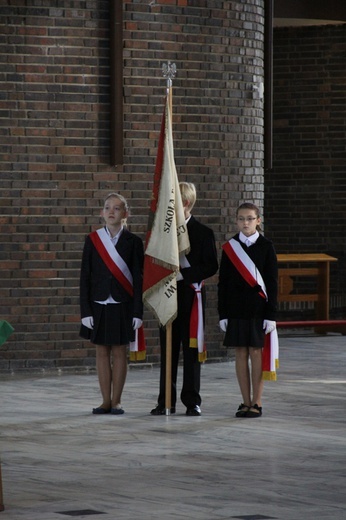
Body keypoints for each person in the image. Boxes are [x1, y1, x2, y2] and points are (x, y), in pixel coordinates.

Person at [150, 182, 218, 416]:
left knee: (191, 352)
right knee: (167, 350)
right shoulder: (163, 233)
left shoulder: (203, 232)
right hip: (167, 297)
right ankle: (165, 401)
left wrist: (183, 274)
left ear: (186, 203)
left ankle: (192, 401)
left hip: (191, 298)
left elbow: (211, 265)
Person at [79, 193, 144, 415]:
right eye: (107, 208)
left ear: (125, 214)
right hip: (97, 303)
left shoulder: (134, 242)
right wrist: (85, 310)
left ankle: (116, 401)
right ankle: (104, 400)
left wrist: (138, 311)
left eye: (117, 208)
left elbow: (138, 278)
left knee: (119, 352)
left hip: (123, 303)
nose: (111, 212)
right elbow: (84, 277)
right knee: (101, 352)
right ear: (101, 213)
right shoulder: (93, 239)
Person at [218, 202, 278, 418]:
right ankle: (244, 401)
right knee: (240, 353)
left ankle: (257, 402)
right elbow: (222, 283)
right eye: (242, 218)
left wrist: (271, 315)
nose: (246, 222)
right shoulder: (230, 247)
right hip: (235, 309)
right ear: (236, 221)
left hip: (258, 310)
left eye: (250, 218)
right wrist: (222, 313)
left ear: (258, 221)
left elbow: (272, 283)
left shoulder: (266, 246)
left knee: (255, 352)